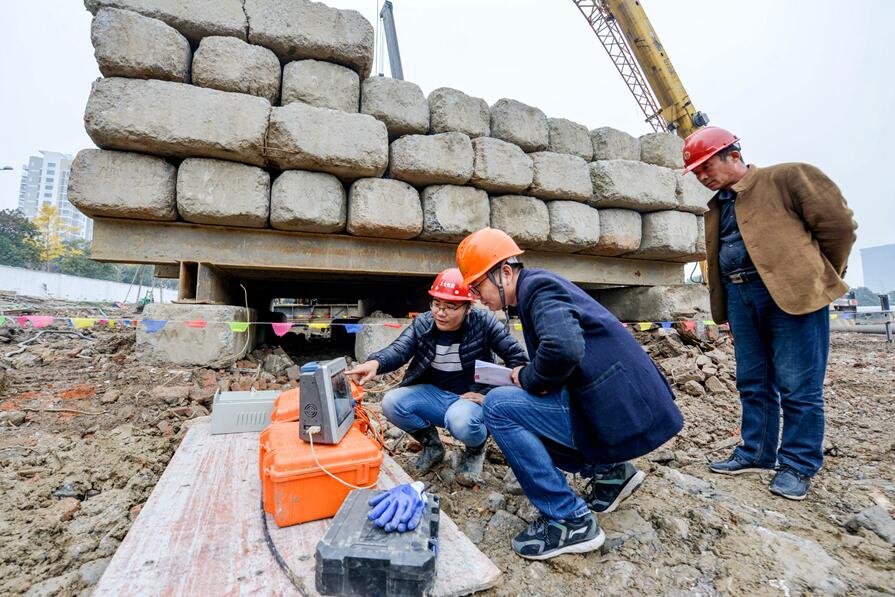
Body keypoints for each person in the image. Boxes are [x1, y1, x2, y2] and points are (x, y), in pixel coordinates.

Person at [455, 228, 683, 560]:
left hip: (613, 403)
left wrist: (527, 378)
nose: (477, 297)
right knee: (515, 402)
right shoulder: (539, 287)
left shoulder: (538, 288)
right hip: (618, 400)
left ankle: (568, 519)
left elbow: (562, 348)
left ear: (504, 272)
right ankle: (610, 474)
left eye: (478, 286)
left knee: (499, 407)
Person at [683, 126, 857, 501]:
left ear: (733, 154)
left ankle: (797, 464)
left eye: (705, 166)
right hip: (740, 296)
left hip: (790, 296)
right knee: (753, 381)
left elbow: (839, 227)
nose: (702, 176)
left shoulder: (787, 177)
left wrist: (818, 276)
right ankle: (756, 452)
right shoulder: (717, 206)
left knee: (798, 386)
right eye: (696, 172)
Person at [347, 268, 528, 487]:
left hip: (470, 398)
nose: (441, 312)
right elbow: (400, 349)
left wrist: (490, 396)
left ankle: (475, 449)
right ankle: (432, 446)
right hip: (434, 395)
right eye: (436, 304)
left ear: (468, 307)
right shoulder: (424, 323)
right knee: (392, 402)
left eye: (451, 306)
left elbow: (518, 360)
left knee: (459, 420)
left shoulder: (485, 323)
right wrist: (375, 363)